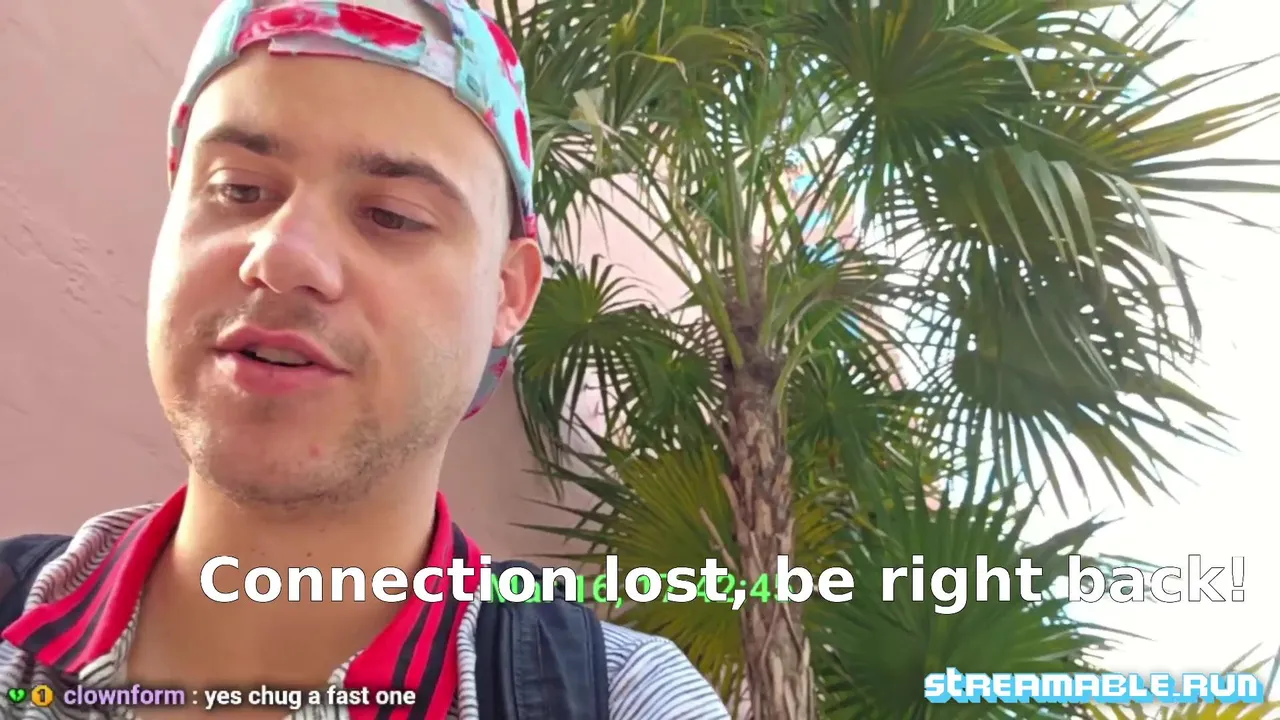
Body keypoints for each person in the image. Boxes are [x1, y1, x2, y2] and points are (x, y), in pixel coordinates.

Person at [0, 0, 731, 718]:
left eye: (392, 217)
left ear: (508, 294)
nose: (282, 256)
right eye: (238, 190)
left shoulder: (625, 701)